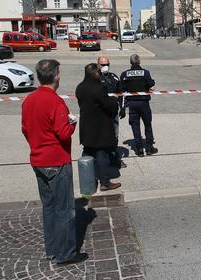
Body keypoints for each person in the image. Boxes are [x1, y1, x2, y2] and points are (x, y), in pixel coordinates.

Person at [21, 59, 88, 266]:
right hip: (56, 161)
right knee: (65, 209)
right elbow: (63, 133)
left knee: (48, 207)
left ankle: (51, 248)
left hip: (38, 160)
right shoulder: (55, 102)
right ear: (56, 76)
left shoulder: (29, 100)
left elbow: (25, 129)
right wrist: (72, 123)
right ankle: (66, 253)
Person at [75, 63, 121, 191]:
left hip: (86, 125)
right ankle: (105, 182)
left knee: (87, 151)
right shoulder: (98, 88)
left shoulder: (80, 87)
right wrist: (114, 101)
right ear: (95, 74)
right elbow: (107, 104)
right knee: (102, 154)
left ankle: (88, 178)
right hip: (99, 127)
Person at [120, 54, 158, 157]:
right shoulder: (145, 72)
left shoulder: (125, 74)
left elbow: (122, 90)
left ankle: (139, 149)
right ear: (139, 61)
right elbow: (151, 83)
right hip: (144, 103)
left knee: (135, 127)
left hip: (132, 104)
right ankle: (149, 148)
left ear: (130, 62)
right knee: (148, 125)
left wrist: (122, 107)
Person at [97, 56, 127, 169]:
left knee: (114, 136)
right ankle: (101, 159)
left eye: (107, 64)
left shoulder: (114, 77)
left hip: (113, 113)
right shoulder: (95, 78)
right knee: (101, 137)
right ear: (98, 65)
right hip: (100, 115)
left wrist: (123, 108)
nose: (106, 67)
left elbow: (121, 93)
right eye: (103, 65)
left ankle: (114, 157)